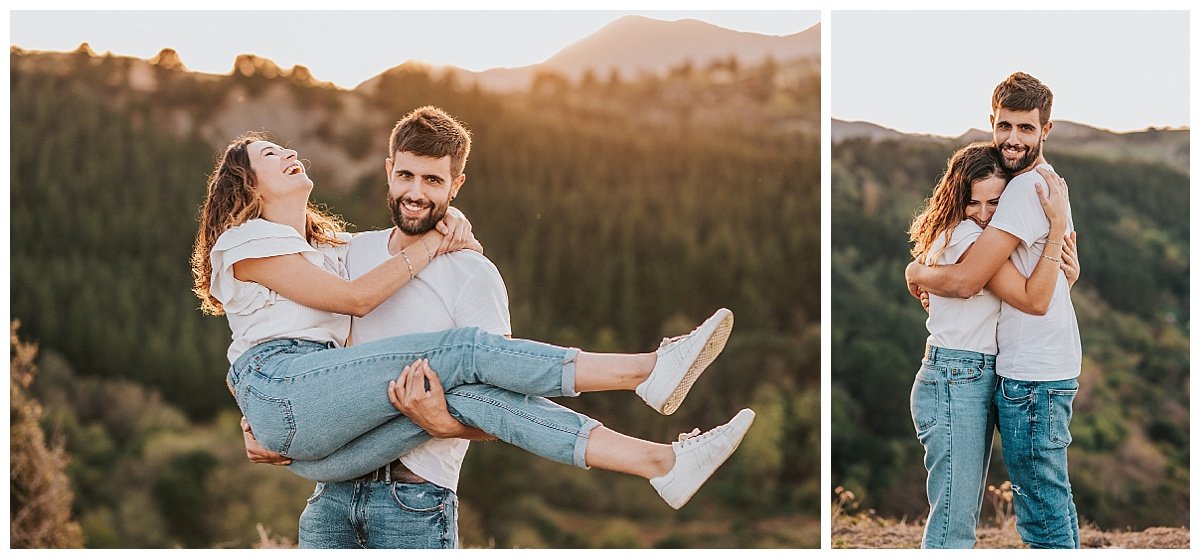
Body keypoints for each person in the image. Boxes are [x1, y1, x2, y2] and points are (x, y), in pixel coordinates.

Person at [190, 111, 756, 515]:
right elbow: (349, 306)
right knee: (463, 355)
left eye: (433, 181)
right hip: (289, 402)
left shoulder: (333, 253)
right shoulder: (246, 243)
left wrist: (440, 420)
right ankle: (646, 371)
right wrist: (434, 241)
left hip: (364, 458)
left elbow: (271, 326)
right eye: (270, 154)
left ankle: (662, 464)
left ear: (455, 186)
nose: (288, 152)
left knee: (467, 389)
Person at [905, 72, 1083, 548]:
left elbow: (1006, 289)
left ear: (1046, 130)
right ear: (992, 122)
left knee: (1042, 510)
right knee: (1045, 503)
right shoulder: (1045, 184)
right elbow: (1054, 278)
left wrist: (916, 274)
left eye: (1026, 128)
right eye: (1005, 126)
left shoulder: (1028, 190)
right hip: (1009, 369)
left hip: (1028, 371)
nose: (1013, 139)